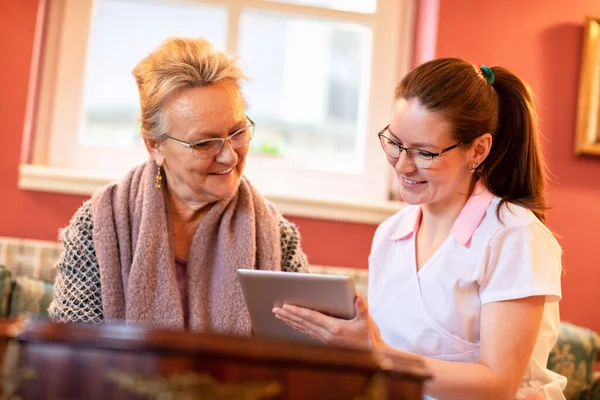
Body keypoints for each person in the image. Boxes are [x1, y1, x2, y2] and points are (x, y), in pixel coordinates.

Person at [273, 58, 566, 399]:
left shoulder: (514, 236)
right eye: (395, 143)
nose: (403, 164)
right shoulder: (389, 235)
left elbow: (497, 384)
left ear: (478, 149)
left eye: (425, 153)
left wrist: (376, 352)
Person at [49, 37, 309, 334]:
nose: (229, 156)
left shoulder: (277, 235)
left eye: (237, 132)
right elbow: (73, 349)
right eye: (204, 143)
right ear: (155, 146)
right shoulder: (98, 224)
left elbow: (302, 354)